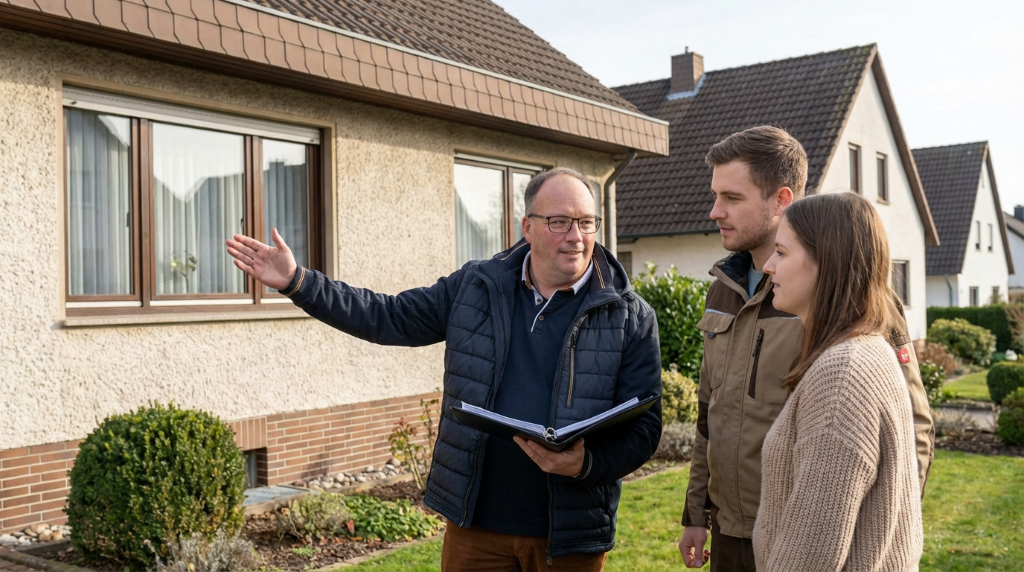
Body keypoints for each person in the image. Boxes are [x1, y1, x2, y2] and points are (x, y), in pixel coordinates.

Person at [226, 167, 662, 571]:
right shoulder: (476, 287)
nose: (576, 237)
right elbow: (389, 316)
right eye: (560, 222)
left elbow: (644, 429)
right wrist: (300, 282)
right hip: (476, 527)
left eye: (586, 222)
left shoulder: (630, 316)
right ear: (527, 227)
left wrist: (586, 463)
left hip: (569, 535)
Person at [678, 126, 933, 571]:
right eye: (715, 195)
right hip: (729, 532)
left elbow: (910, 428)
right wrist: (696, 513)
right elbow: (708, 413)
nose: (715, 211)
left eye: (732, 198)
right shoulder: (722, 289)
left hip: (806, 537)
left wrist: (883, 527)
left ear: (782, 199)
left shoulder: (855, 303)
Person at [754, 191, 924, 570]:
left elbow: (809, 556)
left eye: (781, 252)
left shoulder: (842, 376)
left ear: (826, 262)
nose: (768, 266)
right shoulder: (866, 349)